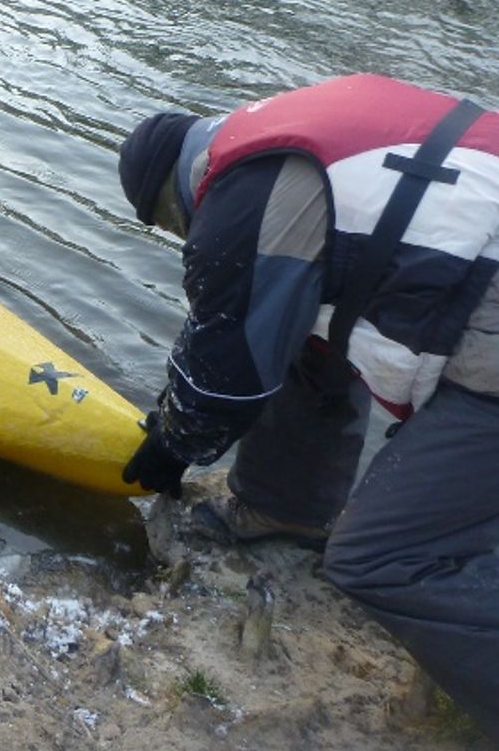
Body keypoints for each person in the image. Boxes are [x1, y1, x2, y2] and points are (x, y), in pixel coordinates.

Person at [115, 73, 499, 742]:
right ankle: (283, 504)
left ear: (168, 196)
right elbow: (280, 333)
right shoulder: (288, 135)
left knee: (378, 556)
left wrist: (174, 440)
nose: (182, 236)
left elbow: (227, 362)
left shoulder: (242, 191)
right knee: (308, 331)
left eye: (168, 225)